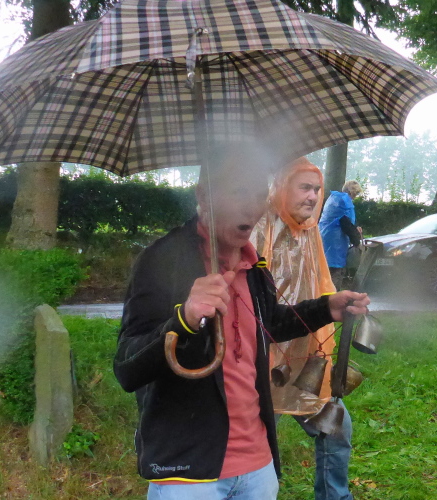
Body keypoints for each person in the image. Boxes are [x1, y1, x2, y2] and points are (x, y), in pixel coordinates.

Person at [113, 149, 370, 500]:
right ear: (204, 196)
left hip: (257, 467)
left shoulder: (254, 266)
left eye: (259, 194)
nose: (252, 207)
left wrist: (326, 308)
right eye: (238, 192)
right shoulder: (163, 260)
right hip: (190, 475)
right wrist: (184, 320)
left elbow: (268, 324)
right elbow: (127, 367)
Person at [251, 157, 353, 500]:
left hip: (303, 353)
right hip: (261, 357)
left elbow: (321, 284)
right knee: (258, 443)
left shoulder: (310, 230)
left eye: (317, 189)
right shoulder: (259, 226)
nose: (312, 196)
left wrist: (335, 311)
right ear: (282, 187)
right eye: (304, 187)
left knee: (336, 427)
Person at [319, 180, 363, 289]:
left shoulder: (333, 198)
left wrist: (355, 227)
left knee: (323, 271)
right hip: (335, 243)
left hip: (323, 236)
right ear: (351, 192)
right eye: (355, 193)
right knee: (335, 272)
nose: (355, 197)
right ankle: (332, 296)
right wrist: (357, 242)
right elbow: (346, 224)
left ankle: (321, 295)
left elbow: (342, 219)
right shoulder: (344, 201)